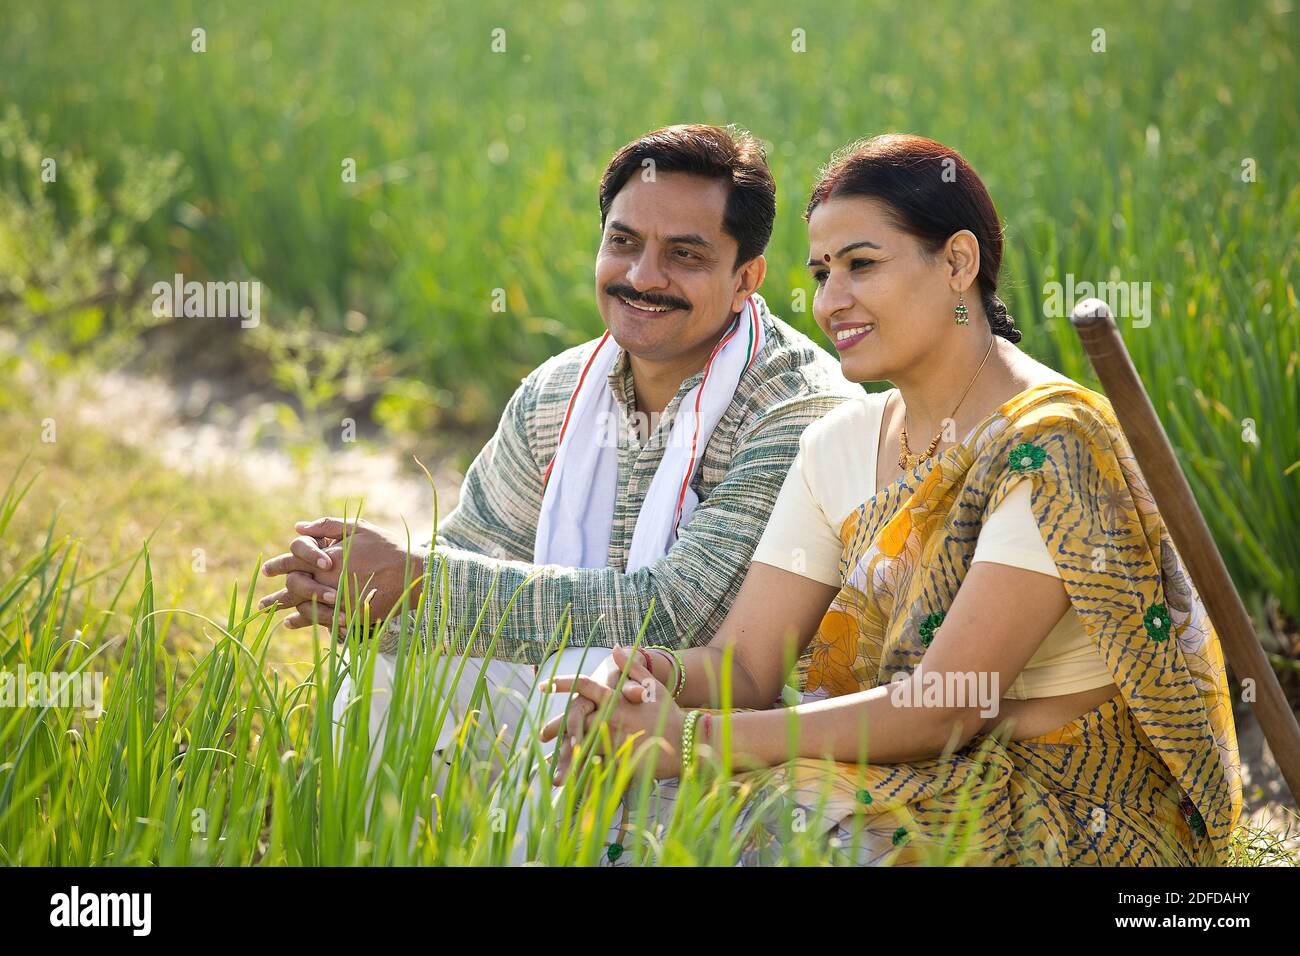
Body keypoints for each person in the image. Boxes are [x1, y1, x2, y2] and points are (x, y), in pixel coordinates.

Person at [542, 133, 1243, 866]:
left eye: (861, 266)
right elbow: (746, 669)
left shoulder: (1050, 443)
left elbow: (947, 704)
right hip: (910, 776)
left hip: (1067, 805)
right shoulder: (837, 445)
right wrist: (651, 677)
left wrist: (689, 739)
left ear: (958, 263)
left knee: (773, 831)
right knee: (628, 796)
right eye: (820, 273)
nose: (830, 300)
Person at [256, 125, 863, 849]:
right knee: (393, 668)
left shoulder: (798, 409)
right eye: (623, 242)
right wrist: (354, 592)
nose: (642, 276)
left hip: (734, 732)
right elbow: (473, 554)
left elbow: (669, 617)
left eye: (685, 255)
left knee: (585, 672)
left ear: (746, 279)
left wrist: (417, 582)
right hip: (588, 706)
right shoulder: (558, 394)